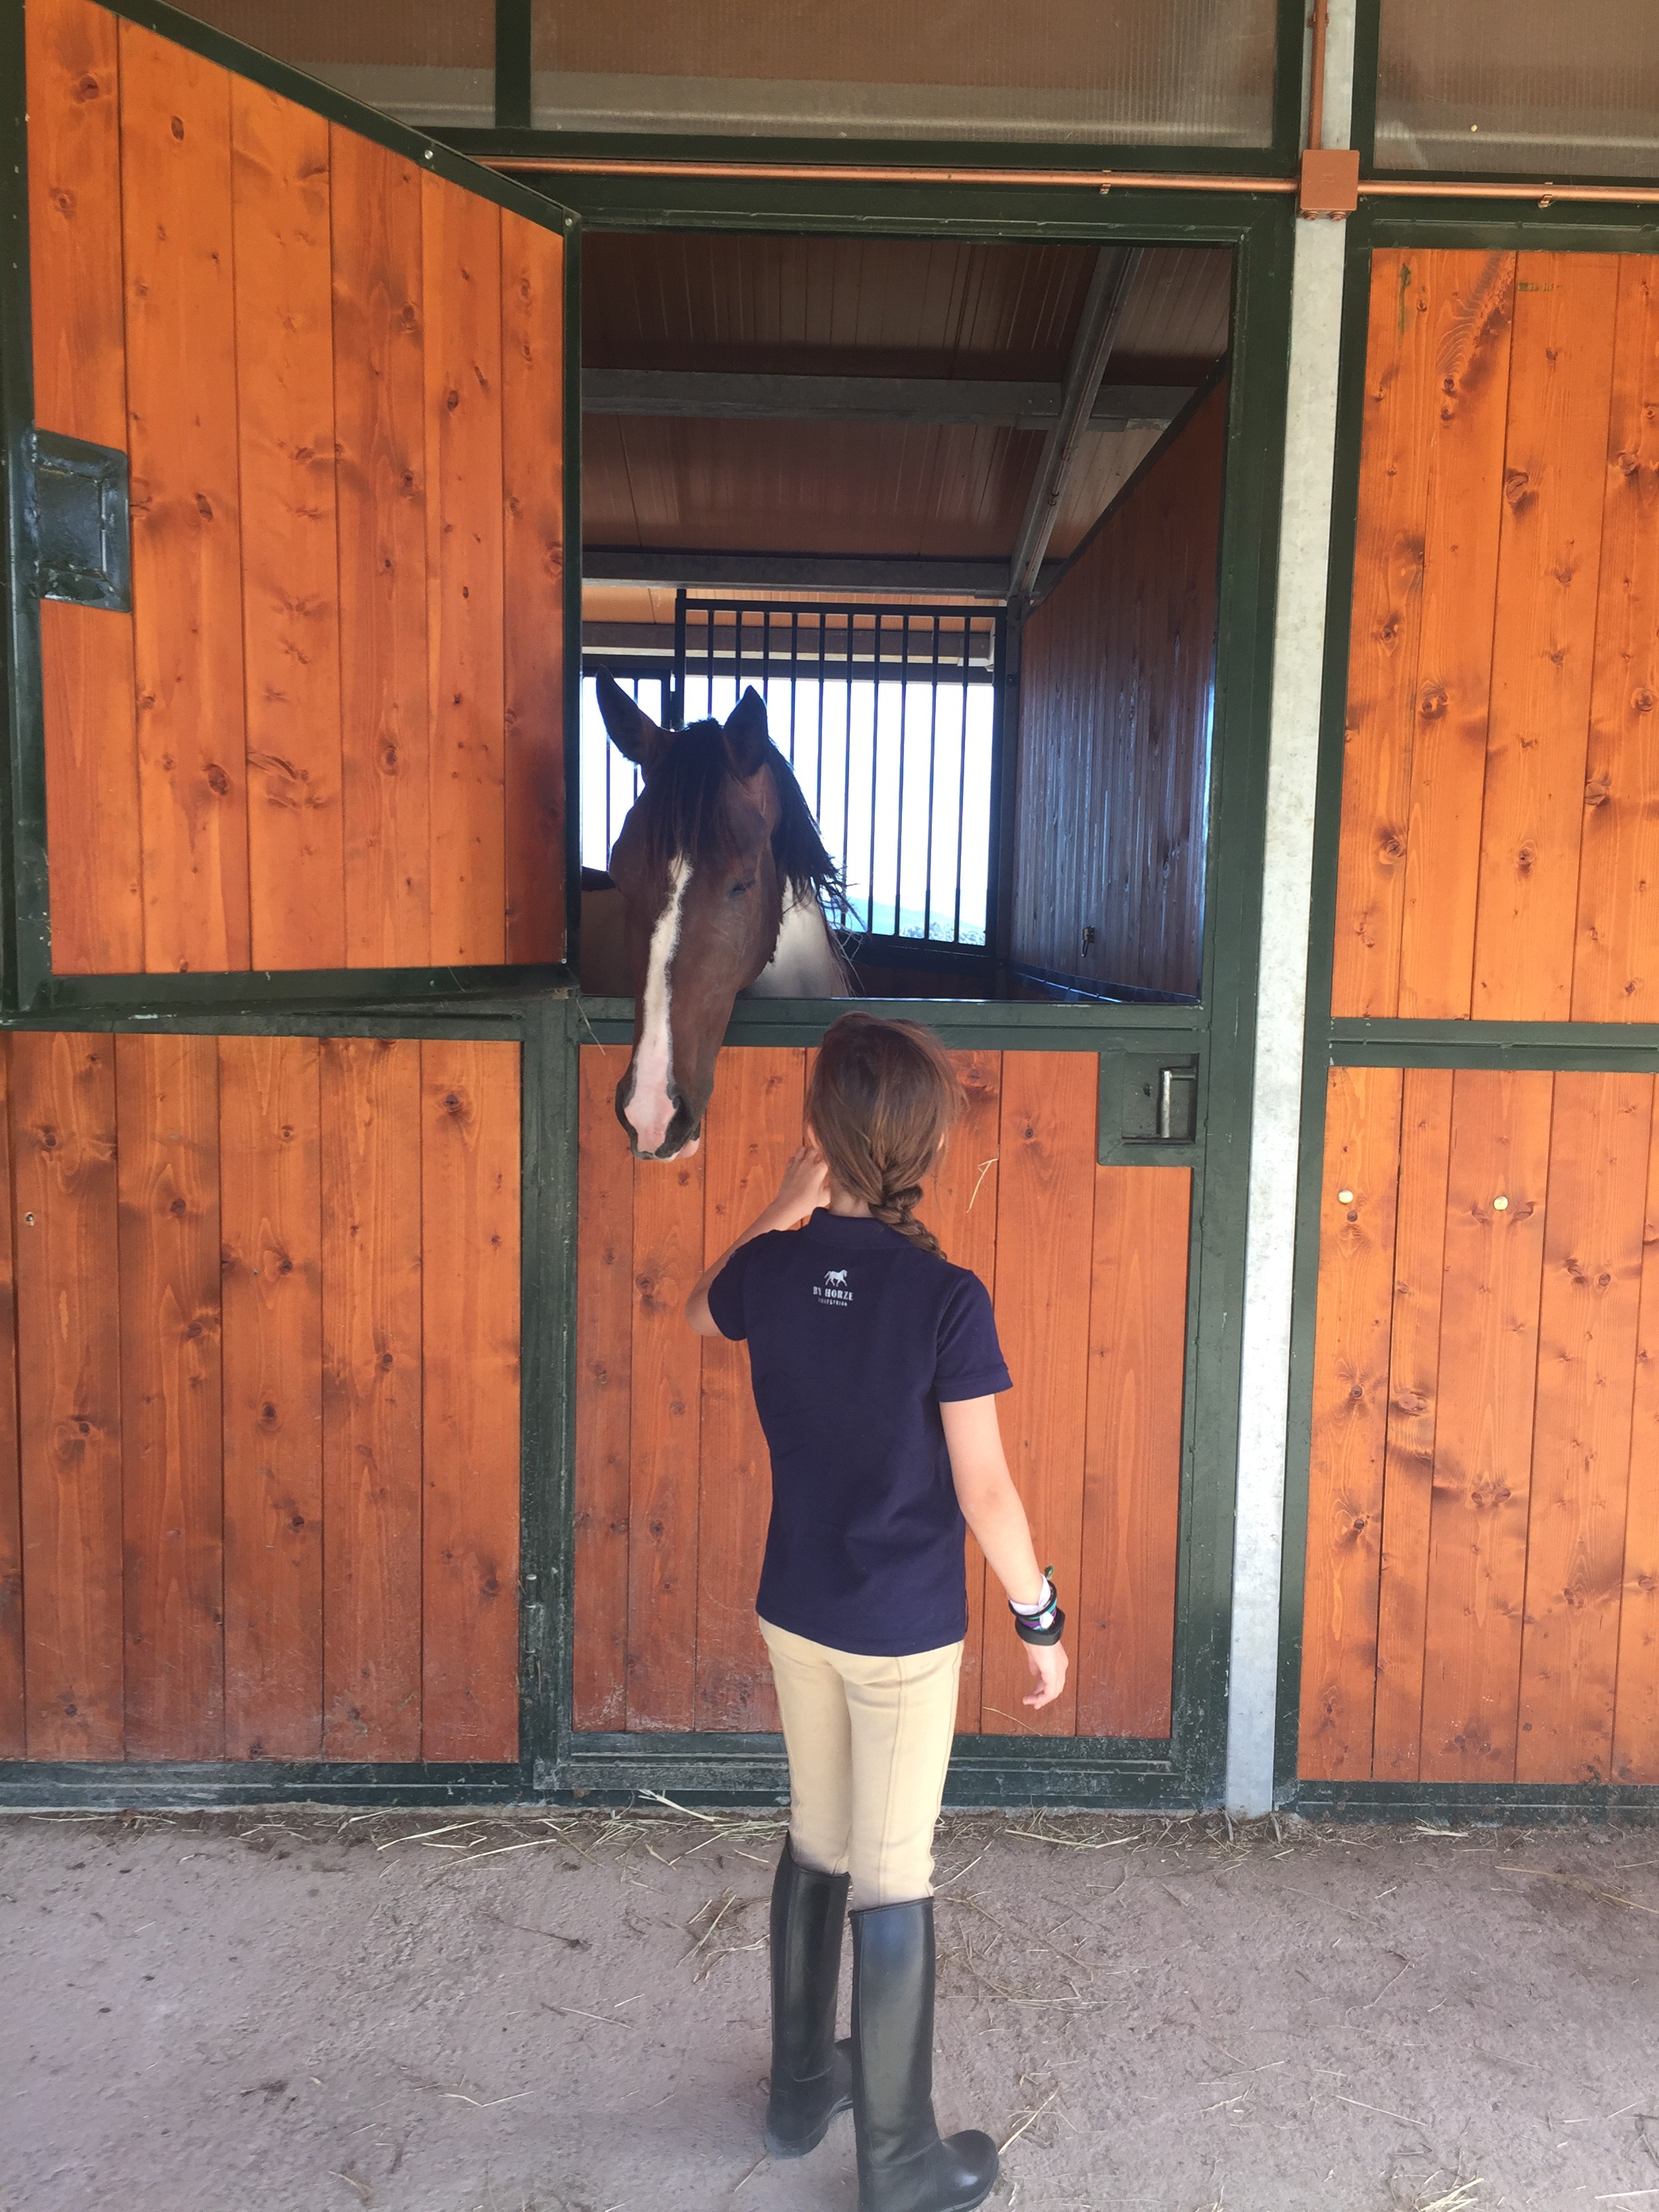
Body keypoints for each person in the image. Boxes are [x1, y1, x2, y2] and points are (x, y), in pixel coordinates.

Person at [686, 1012, 1069, 2212]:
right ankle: (902, 2166)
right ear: (933, 1146)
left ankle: (803, 2094)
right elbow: (987, 1488)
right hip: (901, 1628)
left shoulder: (776, 1267)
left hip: (794, 1605)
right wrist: (1039, 1611)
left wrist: (779, 1201)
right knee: (895, 1872)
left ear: (819, 1134)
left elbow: (707, 1308)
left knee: (819, 1841)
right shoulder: (946, 1297)